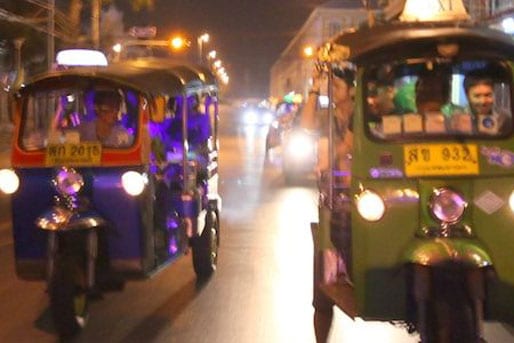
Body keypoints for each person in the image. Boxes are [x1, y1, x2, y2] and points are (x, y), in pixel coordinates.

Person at [301, 63, 354, 343]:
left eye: (337, 86)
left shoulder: (363, 115)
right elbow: (306, 125)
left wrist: (329, 157)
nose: (332, 91)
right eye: (329, 87)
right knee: (323, 288)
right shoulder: (328, 117)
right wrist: (314, 87)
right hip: (334, 202)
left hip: (365, 198)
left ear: (352, 89)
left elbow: (349, 145)